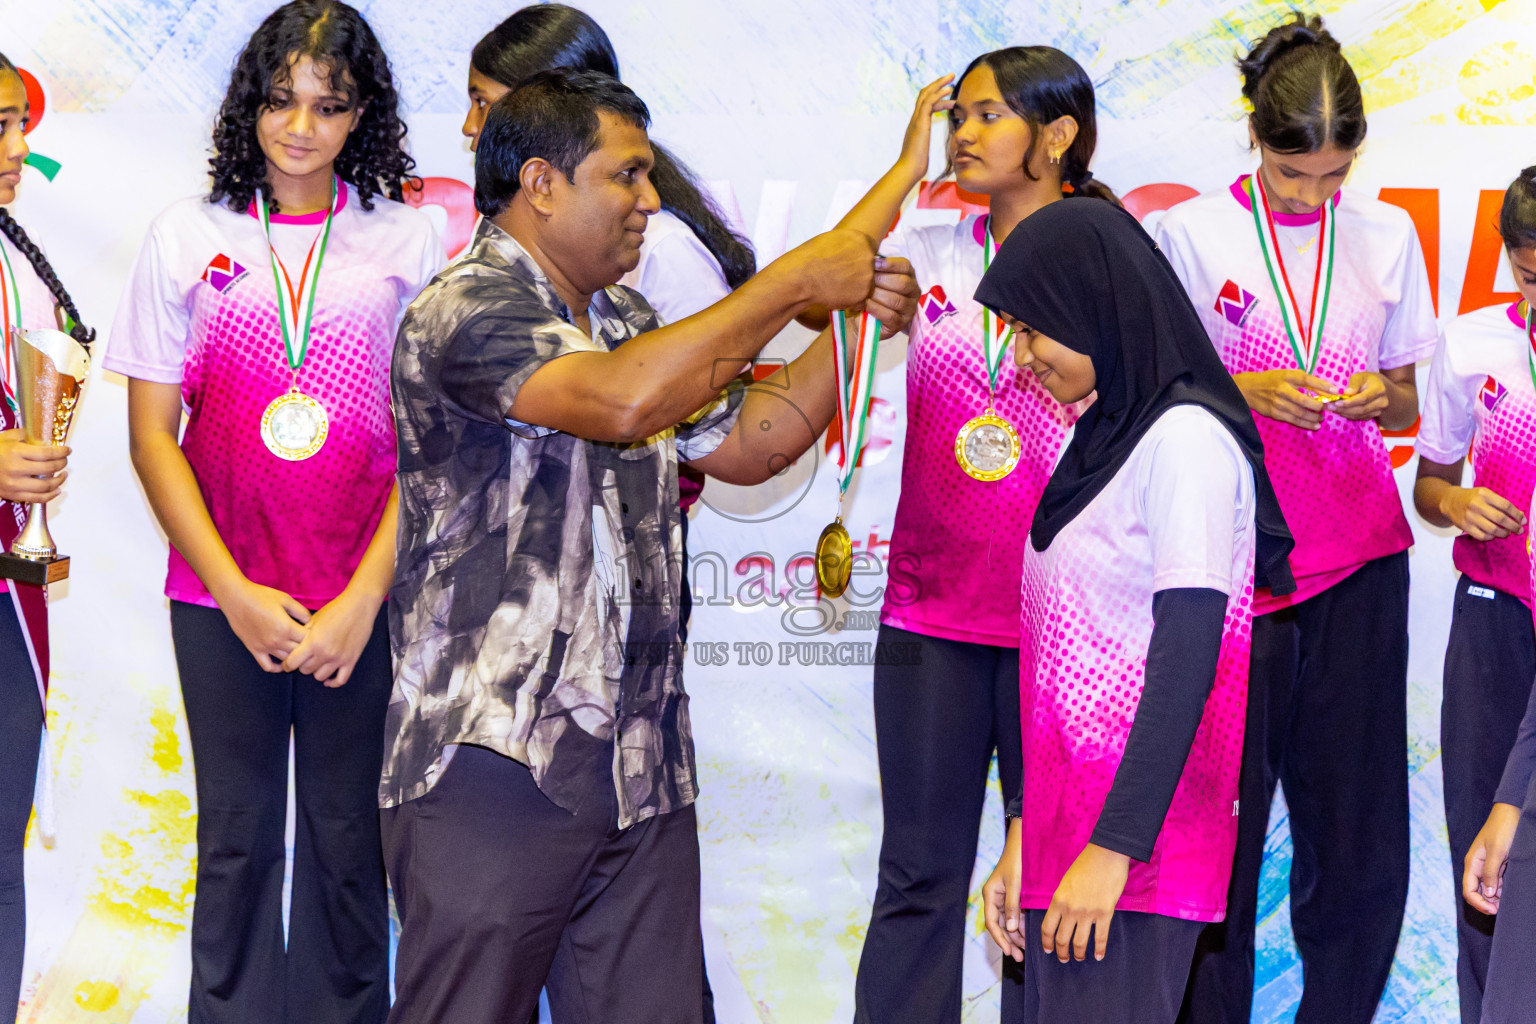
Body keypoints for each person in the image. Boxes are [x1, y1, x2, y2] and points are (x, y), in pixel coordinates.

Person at [381, 69, 915, 1023]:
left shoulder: (627, 319)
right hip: (493, 761)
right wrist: (791, 282)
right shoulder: (464, 307)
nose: (650, 199)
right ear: (542, 184)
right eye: (627, 176)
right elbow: (620, 400)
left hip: (641, 760)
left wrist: (847, 323)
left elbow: (754, 443)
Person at [105, 3, 441, 1020]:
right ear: (249, 104)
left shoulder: (407, 239)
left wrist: (365, 597)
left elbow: (435, 443)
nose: (300, 127)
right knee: (238, 840)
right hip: (220, 600)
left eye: (328, 106)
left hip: (362, 602)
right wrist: (234, 591)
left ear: (361, 117)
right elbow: (151, 437)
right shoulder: (188, 236)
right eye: (280, 100)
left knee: (348, 846)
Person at [1153, 14, 1438, 1024]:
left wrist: (1379, 402)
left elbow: (1409, 399)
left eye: (1334, 175)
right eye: (1292, 175)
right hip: (1238, 566)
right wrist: (1243, 388)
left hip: (1362, 557)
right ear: (1254, 135)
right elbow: (1152, 395)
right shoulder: (1189, 234)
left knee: (1357, 833)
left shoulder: (1388, 235)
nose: (1315, 196)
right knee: (1222, 831)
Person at [826, 47, 1108, 1022]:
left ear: (1059, 135)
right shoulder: (933, 259)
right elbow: (829, 270)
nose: (966, 133)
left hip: (1067, 632)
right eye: (960, 117)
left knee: (1050, 893)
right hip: (933, 617)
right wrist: (906, 176)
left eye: (989, 116)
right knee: (918, 880)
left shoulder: (1114, 260)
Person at [974, 196, 1292, 1024]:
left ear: (1096, 307)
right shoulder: (1099, 440)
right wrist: (1022, 833)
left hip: (1130, 859)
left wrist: (1113, 850)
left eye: (1033, 328)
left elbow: (1189, 660)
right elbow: (1047, 670)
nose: (1023, 354)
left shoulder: (1185, 442)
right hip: (1065, 846)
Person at [463, 3, 758, 601]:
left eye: (487, 106)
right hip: (517, 602)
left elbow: (725, 436)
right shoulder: (474, 283)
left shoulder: (661, 253)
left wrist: (835, 317)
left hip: (623, 582)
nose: (471, 127)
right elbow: (616, 401)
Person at [1414, 166, 1536, 1023]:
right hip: (1496, 620)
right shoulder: (1472, 344)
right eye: (1531, 275)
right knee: (1484, 857)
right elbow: (1429, 485)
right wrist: (1456, 504)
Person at [0, 51, 91, 1024]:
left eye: (20, 124)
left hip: (10, 595)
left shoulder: (19, 267)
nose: (19, 148)